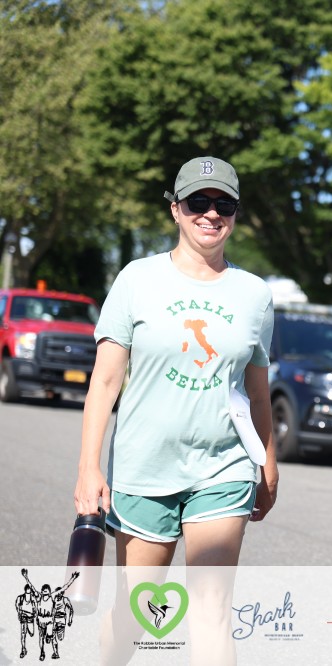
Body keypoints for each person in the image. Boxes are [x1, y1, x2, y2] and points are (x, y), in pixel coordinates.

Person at [73, 156, 277, 664]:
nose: (211, 214)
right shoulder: (137, 279)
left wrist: (268, 462)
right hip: (144, 467)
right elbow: (105, 381)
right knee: (136, 613)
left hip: (223, 468)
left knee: (212, 611)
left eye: (224, 204)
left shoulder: (255, 295)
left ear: (236, 213)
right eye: (198, 202)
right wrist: (88, 467)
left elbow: (257, 392)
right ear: (175, 209)